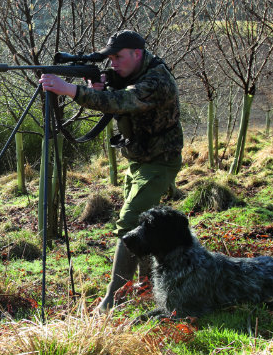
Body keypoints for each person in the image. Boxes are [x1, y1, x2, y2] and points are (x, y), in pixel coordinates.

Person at [39, 30, 183, 313]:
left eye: (118, 57)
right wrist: (98, 85)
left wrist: (70, 90)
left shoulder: (156, 80)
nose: (113, 63)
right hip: (139, 160)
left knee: (130, 223)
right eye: (110, 58)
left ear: (137, 54)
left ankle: (111, 300)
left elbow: (121, 102)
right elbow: (114, 92)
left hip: (160, 162)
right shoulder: (132, 72)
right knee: (144, 224)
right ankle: (147, 284)